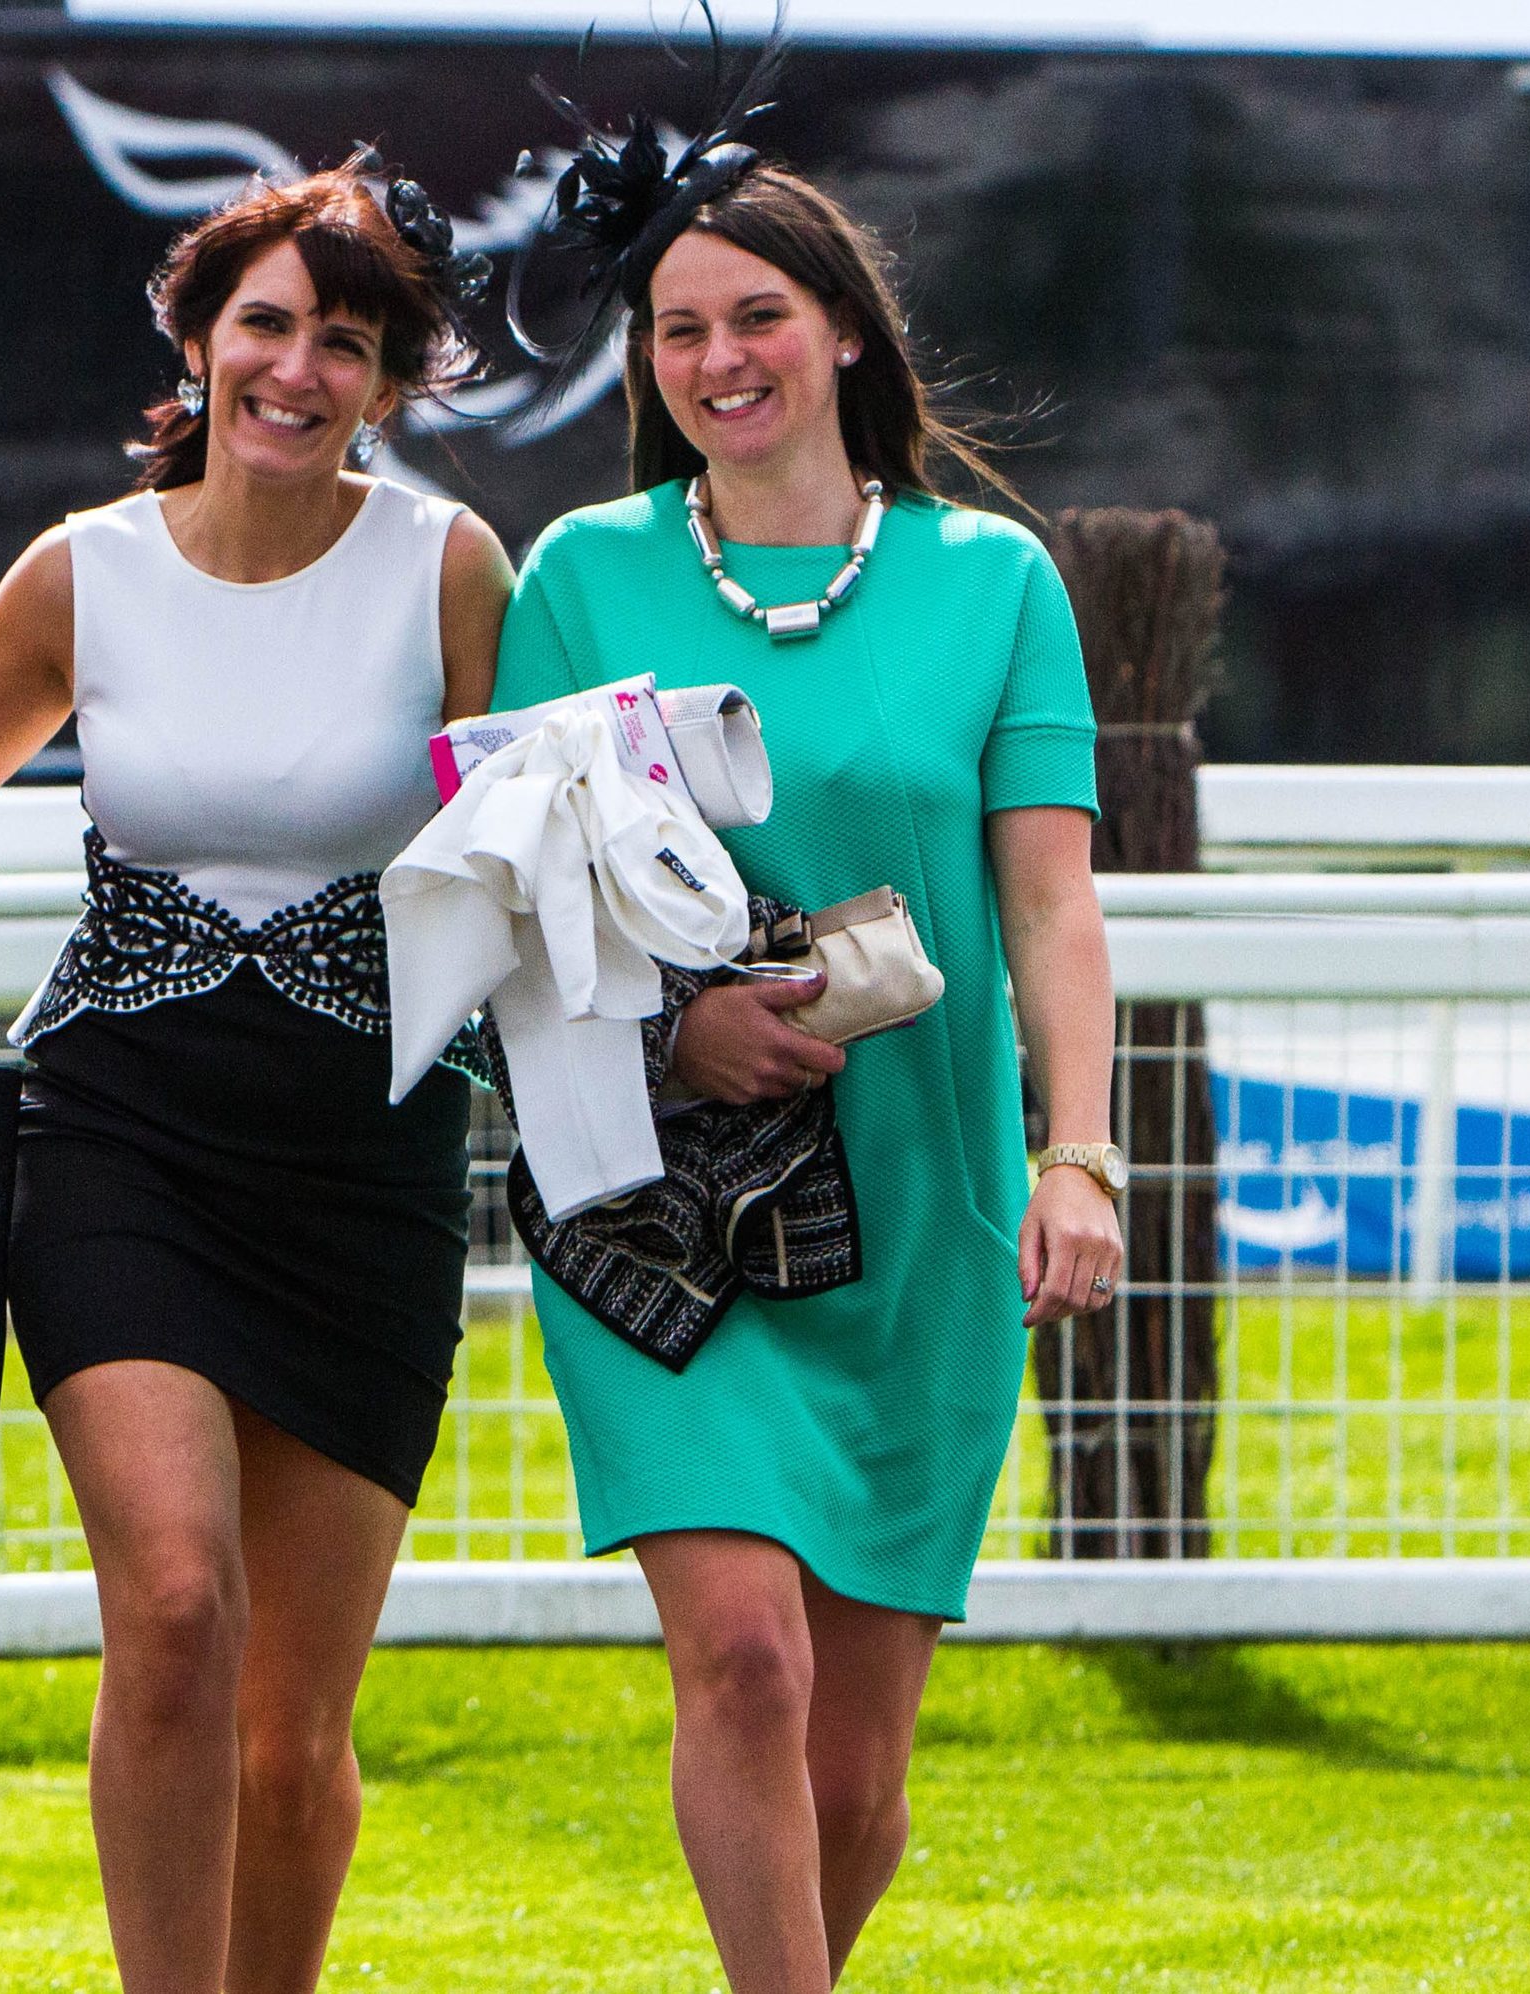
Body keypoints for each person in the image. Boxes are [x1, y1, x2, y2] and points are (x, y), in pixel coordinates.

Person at [0, 160, 512, 1994]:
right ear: (197, 338)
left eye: (346, 341)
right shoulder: (81, 571)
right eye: (264, 322)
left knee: (295, 1725)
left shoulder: (451, 565)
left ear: (387, 380)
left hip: (370, 1154)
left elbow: (539, 841)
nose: (297, 369)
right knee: (178, 1606)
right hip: (119, 1132)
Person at [484, 106, 1127, 1989]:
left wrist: (1076, 1154)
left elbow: (1051, 913)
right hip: (662, 1202)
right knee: (742, 1656)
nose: (716, 362)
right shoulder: (579, 580)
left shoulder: (995, 585)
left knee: (856, 1763)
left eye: (753, 315)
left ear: (844, 325)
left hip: (927, 1204)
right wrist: (684, 1026)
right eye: (677, 331)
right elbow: (524, 899)